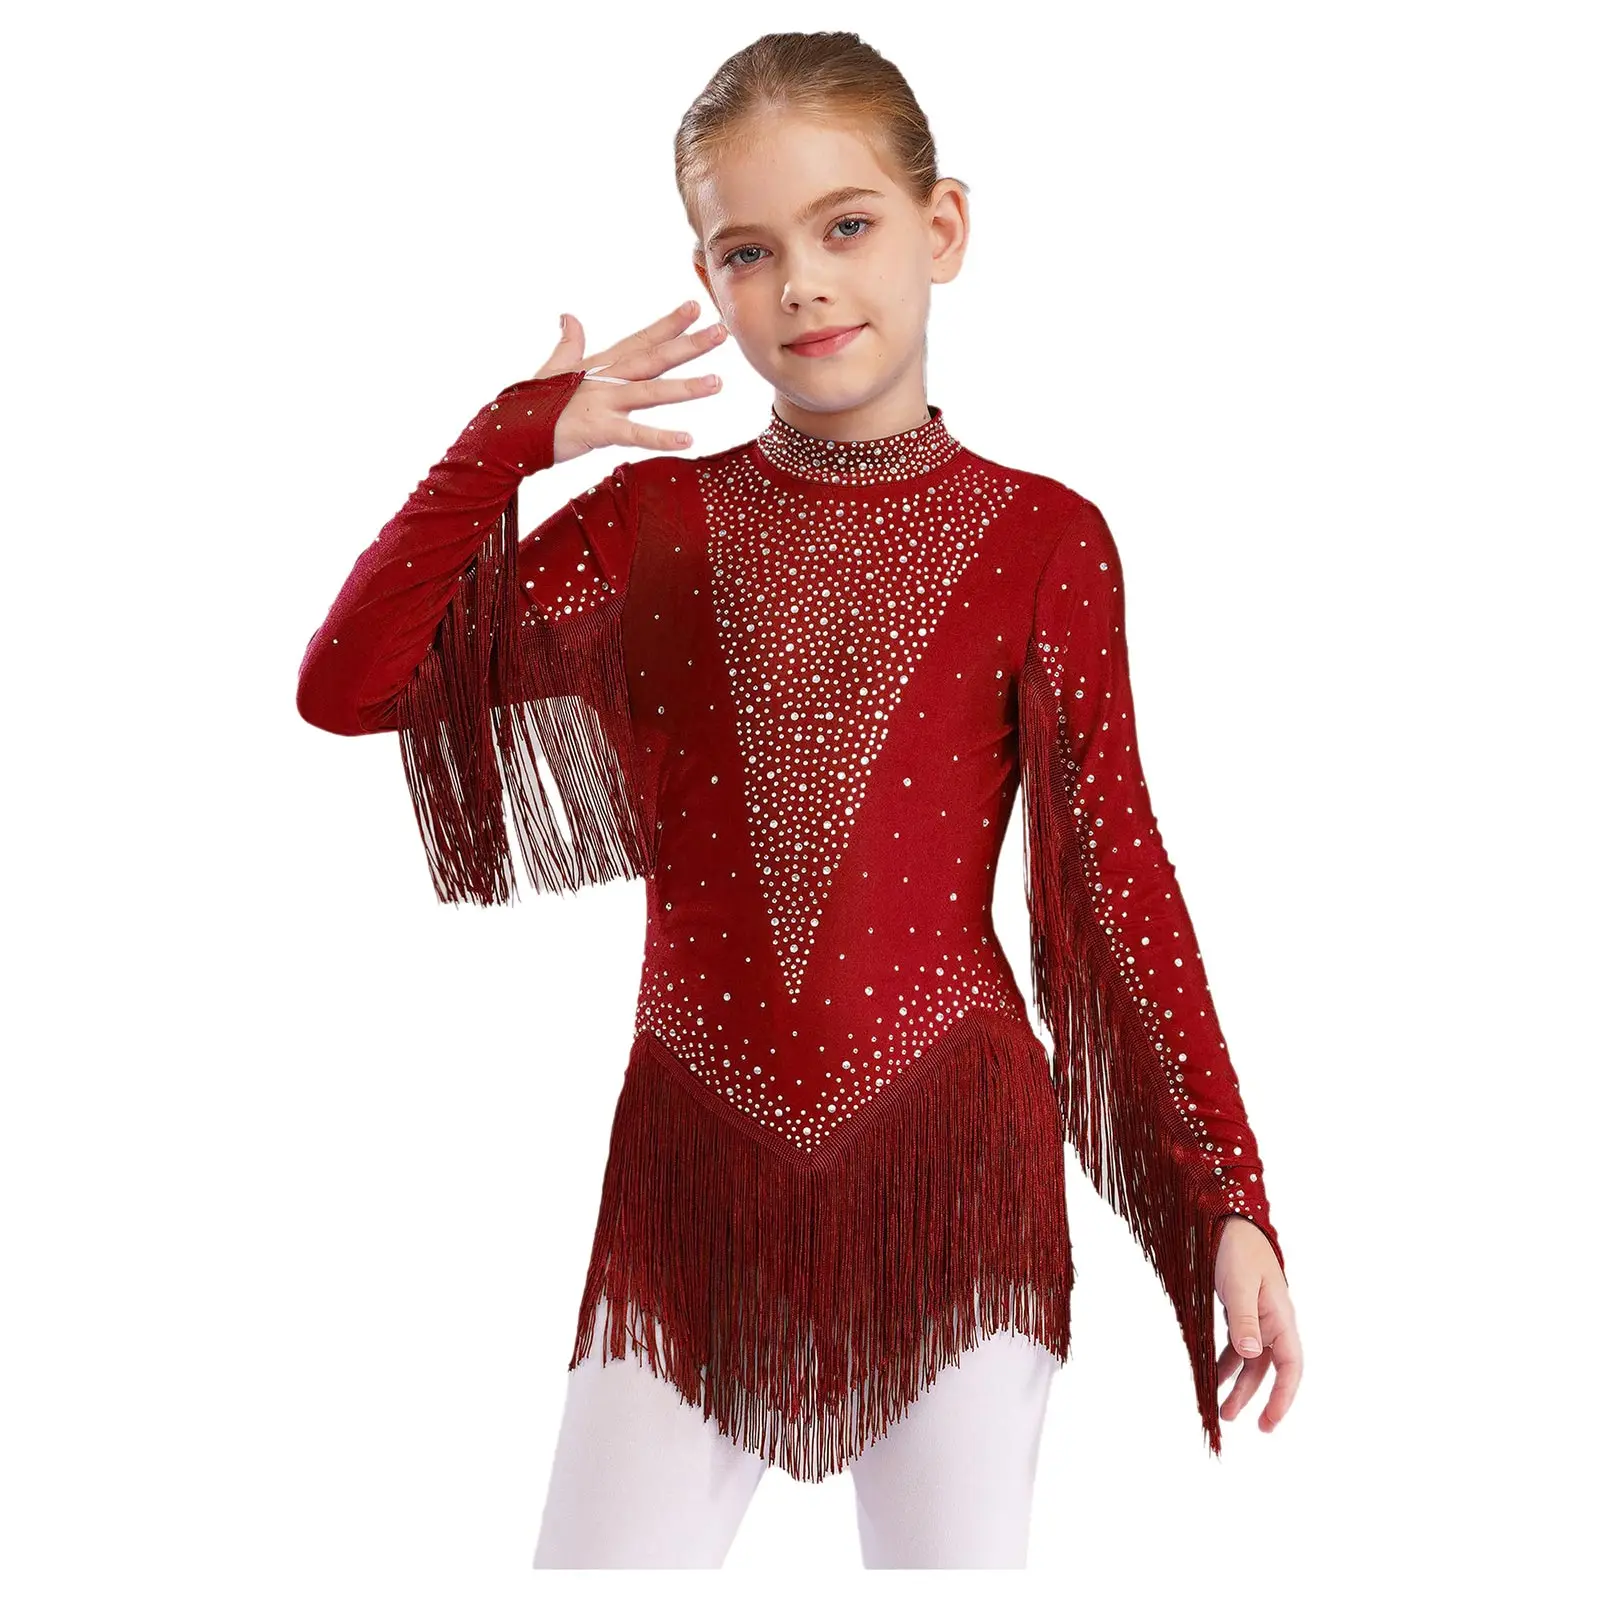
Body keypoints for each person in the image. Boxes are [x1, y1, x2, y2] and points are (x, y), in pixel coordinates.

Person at [296, 29, 1302, 1571]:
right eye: (751, 250)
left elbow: (1117, 882)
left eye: (847, 226)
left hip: (951, 1183)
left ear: (941, 228)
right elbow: (355, 683)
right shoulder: (651, 524)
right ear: (708, 273)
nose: (806, 284)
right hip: (690, 1181)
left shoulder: (1045, 541)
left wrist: (1226, 1193)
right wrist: (507, 444)